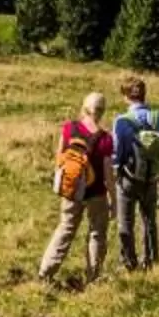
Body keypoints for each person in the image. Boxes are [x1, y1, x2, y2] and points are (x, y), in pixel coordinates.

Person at [36, 91, 114, 286]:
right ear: (103, 111)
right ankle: (93, 276)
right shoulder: (105, 139)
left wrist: (60, 179)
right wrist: (114, 199)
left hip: (71, 189)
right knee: (97, 233)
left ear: (84, 107)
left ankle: (46, 271)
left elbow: (60, 155)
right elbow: (108, 174)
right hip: (96, 193)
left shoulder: (69, 128)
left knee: (65, 228)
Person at [109, 76, 159, 270]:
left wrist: (115, 173)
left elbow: (117, 152)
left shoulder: (122, 121)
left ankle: (129, 261)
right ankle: (152, 260)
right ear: (144, 95)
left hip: (129, 177)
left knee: (126, 221)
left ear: (126, 96)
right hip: (152, 177)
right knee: (150, 220)